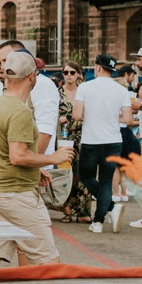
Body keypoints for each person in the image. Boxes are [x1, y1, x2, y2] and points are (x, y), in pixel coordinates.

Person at [0, 51, 73, 267]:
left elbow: (1, 150)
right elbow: (17, 155)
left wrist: (35, 168)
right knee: (49, 262)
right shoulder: (19, 111)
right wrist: (52, 157)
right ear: (32, 76)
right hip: (17, 195)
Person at [72, 54, 132, 233]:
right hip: (113, 140)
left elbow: (76, 115)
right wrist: (113, 117)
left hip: (92, 140)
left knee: (86, 176)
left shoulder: (85, 87)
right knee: (106, 180)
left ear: (98, 68)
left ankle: (109, 209)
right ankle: (100, 220)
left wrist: (92, 115)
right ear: (113, 71)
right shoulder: (121, 90)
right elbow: (128, 119)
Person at [0, 41, 59, 159]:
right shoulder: (3, 86)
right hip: (13, 165)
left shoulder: (42, 84)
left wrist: (33, 165)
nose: (3, 66)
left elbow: (45, 130)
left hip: (36, 169)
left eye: (6, 60)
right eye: (0, 62)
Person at [55, 60, 93, 224]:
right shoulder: (57, 93)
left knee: (84, 173)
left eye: (72, 72)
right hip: (64, 138)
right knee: (66, 174)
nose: (69, 75)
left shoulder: (84, 92)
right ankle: (67, 211)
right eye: (66, 72)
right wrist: (58, 118)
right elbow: (48, 113)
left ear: (79, 74)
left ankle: (83, 211)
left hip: (83, 137)